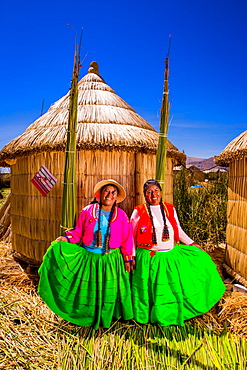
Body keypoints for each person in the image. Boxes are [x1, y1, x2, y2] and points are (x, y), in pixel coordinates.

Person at [38, 179, 134, 329]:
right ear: (100, 194)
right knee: (90, 291)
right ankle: (88, 315)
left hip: (111, 260)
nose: (109, 195)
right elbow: (78, 233)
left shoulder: (121, 215)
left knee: (109, 292)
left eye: (113, 192)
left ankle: (108, 318)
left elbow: (126, 239)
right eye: (106, 191)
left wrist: (127, 258)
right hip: (90, 259)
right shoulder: (87, 211)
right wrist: (67, 238)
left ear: (116, 197)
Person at [131, 179, 225, 326]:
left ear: (160, 192)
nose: (153, 194)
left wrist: (191, 243)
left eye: (156, 190)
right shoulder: (139, 211)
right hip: (149, 257)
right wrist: (132, 256)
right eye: (149, 192)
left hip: (170, 256)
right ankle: (150, 314)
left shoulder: (170, 208)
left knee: (173, 286)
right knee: (151, 290)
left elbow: (178, 230)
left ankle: (172, 313)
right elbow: (131, 235)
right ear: (144, 195)